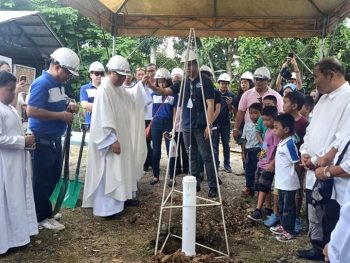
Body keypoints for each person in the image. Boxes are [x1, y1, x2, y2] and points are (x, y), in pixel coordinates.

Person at [297, 57, 350, 261]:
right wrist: (305, 153)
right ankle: (318, 248)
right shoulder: (323, 98)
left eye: (317, 76)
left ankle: (331, 253)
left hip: (333, 174)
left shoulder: (347, 97)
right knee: (314, 212)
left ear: (331, 75)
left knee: (332, 218)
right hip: (314, 166)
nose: (315, 82)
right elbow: (312, 129)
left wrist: (323, 161)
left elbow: (342, 138)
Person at [146, 49, 218, 198]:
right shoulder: (182, 83)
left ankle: (213, 186)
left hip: (201, 125)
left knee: (206, 156)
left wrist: (209, 125)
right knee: (191, 155)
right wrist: (152, 87)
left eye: (191, 64)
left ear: (196, 64)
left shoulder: (205, 82)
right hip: (186, 126)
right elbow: (165, 91)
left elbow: (210, 105)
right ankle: (194, 183)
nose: (188, 68)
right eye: (186, 65)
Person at [82, 55, 147, 217]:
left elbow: (131, 97)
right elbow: (101, 119)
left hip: (121, 137)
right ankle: (107, 209)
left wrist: (140, 85)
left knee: (121, 168)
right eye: (119, 75)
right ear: (110, 71)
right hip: (111, 141)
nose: (121, 79)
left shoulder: (118, 89)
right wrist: (111, 140)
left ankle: (121, 200)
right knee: (110, 172)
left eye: (124, 76)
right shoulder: (104, 90)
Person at [27, 47, 80, 231]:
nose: (68, 77)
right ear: (57, 66)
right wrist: (60, 116)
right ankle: (40, 217)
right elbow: (31, 111)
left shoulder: (58, 84)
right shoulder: (42, 83)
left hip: (55, 140)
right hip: (42, 140)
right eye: (68, 73)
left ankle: (45, 211)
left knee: (53, 177)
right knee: (42, 180)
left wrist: (69, 105)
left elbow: (58, 103)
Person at [0, 71, 38, 255]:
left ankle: (18, 236)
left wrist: (26, 142)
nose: (12, 94)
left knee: (15, 199)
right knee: (5, 202)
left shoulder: (10, 108)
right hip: (4, 165)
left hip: (15, 161)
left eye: (13, 90)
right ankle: (5, 241)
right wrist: (22, 141)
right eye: (8, 90)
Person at [269, 114, 300, 242]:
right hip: (281, 182)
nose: (273, 130)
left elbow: (296, 162)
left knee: (288, 209)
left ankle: (289, 231)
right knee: (282, 206)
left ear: (286, 129)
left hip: (289, 183)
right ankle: (283, 226)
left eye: (276, 128)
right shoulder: (282, 142)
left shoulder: (290, 144)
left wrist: (297, 177)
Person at [233, 67, 283, 142]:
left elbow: (281, 114)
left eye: (261, 79)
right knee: (248, 153)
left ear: (267, 80)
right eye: (256, 79)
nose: (258, 81)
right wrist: (236, 128)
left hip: (270, 133)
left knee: (266, 152)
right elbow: (240, 113)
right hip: (250, 132)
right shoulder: (246, 94)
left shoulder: (276, 96)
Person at [248, 106, 279, 222]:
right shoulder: (268, 131)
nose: (265, 122)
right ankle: (267, 208)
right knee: (261, 186)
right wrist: (260, 159)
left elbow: (277, 149)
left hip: (269, 165)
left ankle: (258, 210)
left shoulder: (276, 133)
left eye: (268, 120)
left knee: (263, 186)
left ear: (274, 118)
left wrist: (272, 163)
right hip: (263, 163)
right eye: (264, 120)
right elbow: (265, 146)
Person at [149, 68, 178, 185]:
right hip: (155, 123)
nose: (161, 84)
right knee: (155, 151)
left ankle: (172, 177)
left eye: (163, 81)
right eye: (159, 81)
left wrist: (174, 127)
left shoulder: (173, 95)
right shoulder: (153, 94)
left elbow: (175, 111)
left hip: (168, 124)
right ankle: (156, 176)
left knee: (171, 150)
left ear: (168, 81)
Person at [234, 71, 254, 176]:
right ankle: (245, 168)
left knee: (253, 149)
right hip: (242, 126)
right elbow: (237, 112)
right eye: (242, 82)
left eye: (245, 82)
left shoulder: (254, 95)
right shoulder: (239, 97)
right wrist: (235, 128)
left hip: (252, 126)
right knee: (243, 148)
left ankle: (253, 169)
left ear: (250, 83)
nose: (243, 84)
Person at [241, 102, 262, 197]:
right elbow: (244, 140)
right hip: (249, 151)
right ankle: (249, 189)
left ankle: (259, 189)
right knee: (249, 170)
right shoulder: (247, 125)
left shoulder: (263, 125)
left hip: (259, 150)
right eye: (251, 113)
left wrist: (263, 155)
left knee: (258, 170)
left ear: (261, 113)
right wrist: (243, 153)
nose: (253, 115)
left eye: (256, 113)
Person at [217, 73, 235, 173]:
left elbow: (231, 110)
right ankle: (216, 163)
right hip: (215, 122)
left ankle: (227, 164)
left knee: (225, 144)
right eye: (222, 83)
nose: (224, 85)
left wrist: (229, 104)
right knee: (214, 144)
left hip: (225, 123)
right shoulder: (215, 93)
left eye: (226, 84)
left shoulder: (231, 95)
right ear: (219, 83)